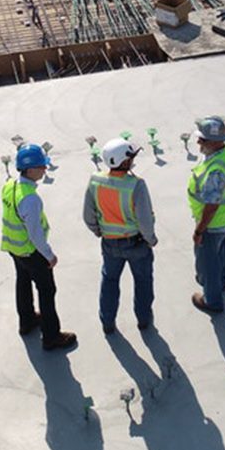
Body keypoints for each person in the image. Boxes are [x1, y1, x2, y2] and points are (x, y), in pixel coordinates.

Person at [1, 143, 77, 351]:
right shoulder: (30, 198)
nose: (45, 169)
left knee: (23, 282)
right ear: (30, 169)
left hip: (13, 247)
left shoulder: (10, 185)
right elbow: (35, 233)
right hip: (31, 251)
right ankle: (52, 336)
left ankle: (26, 321)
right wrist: (49, 255)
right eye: (42, 166)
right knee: (47, 290)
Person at [83, 137, 158, 334]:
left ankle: (107, 322)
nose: (133, 160)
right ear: (124, 162)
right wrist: (151, 239)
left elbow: (88, 215)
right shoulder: (136, 185)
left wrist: (99, 231)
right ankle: (143, 319)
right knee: (142, 282)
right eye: (131, 157)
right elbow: (145, 220)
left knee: (109, 281)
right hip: (137, 243)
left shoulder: (95, 180)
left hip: (109, 243)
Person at [188, 117, 225, 315]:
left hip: (213, 223)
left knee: (207, 261)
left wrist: (199, 230)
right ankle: (221, 284)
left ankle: (212, 300)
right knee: (219, 252)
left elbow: (211, 205)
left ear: (215, 142)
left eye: (203, 140)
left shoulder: (216, 171)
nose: (199, 143)